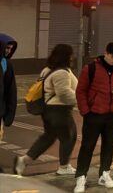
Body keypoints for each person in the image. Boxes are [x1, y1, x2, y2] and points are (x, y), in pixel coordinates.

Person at [74, 42, 113, 193]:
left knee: (109, 145)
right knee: (87, 146)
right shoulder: (91, 68)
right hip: (94, 114)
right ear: (106, 53)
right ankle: (81, 177)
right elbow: (80, 91)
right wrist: (85, 111)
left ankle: (104, 174)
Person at [14, 44, 78, 176]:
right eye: (71, 54)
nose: (73, 57)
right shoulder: (62, 72)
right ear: (67, 56)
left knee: (49, 137)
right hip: (60, 110)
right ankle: (64, 166)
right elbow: (64, 93)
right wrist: (81, 99)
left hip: (48, 110)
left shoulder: (47, 70)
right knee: (69, 136)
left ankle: (23, 160)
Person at [0, 34, 18, 162]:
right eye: (6, 47)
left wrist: (9, 114)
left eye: (11, 48)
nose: (8, 51)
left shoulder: (6, 64)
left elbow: (11, 91)